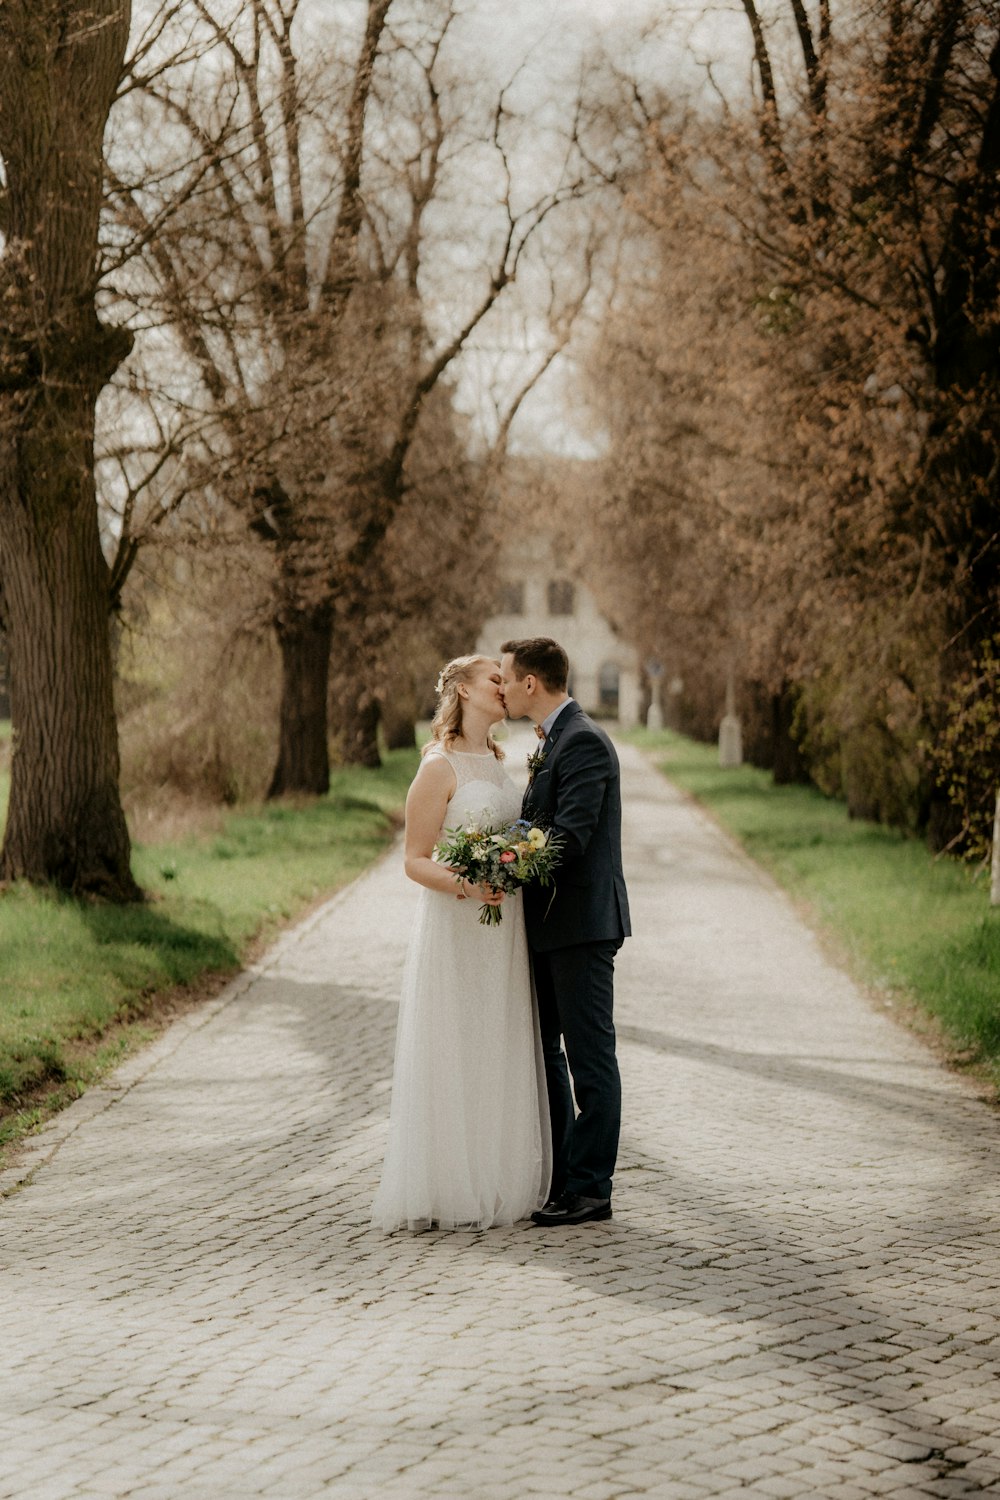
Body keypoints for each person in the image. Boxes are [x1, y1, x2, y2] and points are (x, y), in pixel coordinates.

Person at [371, 654, 551, 1232]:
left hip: (503, 932)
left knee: (495, 1037)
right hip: (456, 926)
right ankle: (447, 1182)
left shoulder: (500, 763)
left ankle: (495, 1176)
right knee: (454, 1038)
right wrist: (469, 885)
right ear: (463, 692)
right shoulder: (438, 766)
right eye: (494, 680)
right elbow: (414, 862)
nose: (505, 688)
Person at [498, 638, 630, 1227]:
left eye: (506, 678)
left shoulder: (583, 743)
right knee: (549, 1055)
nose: (501, 688)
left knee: (589, 1058)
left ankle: (591, 1188)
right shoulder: (555, 740)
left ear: (532, 684)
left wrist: (502, 864)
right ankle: (561, 1180)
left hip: (580, 928)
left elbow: (570, 838)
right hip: (550, 929)